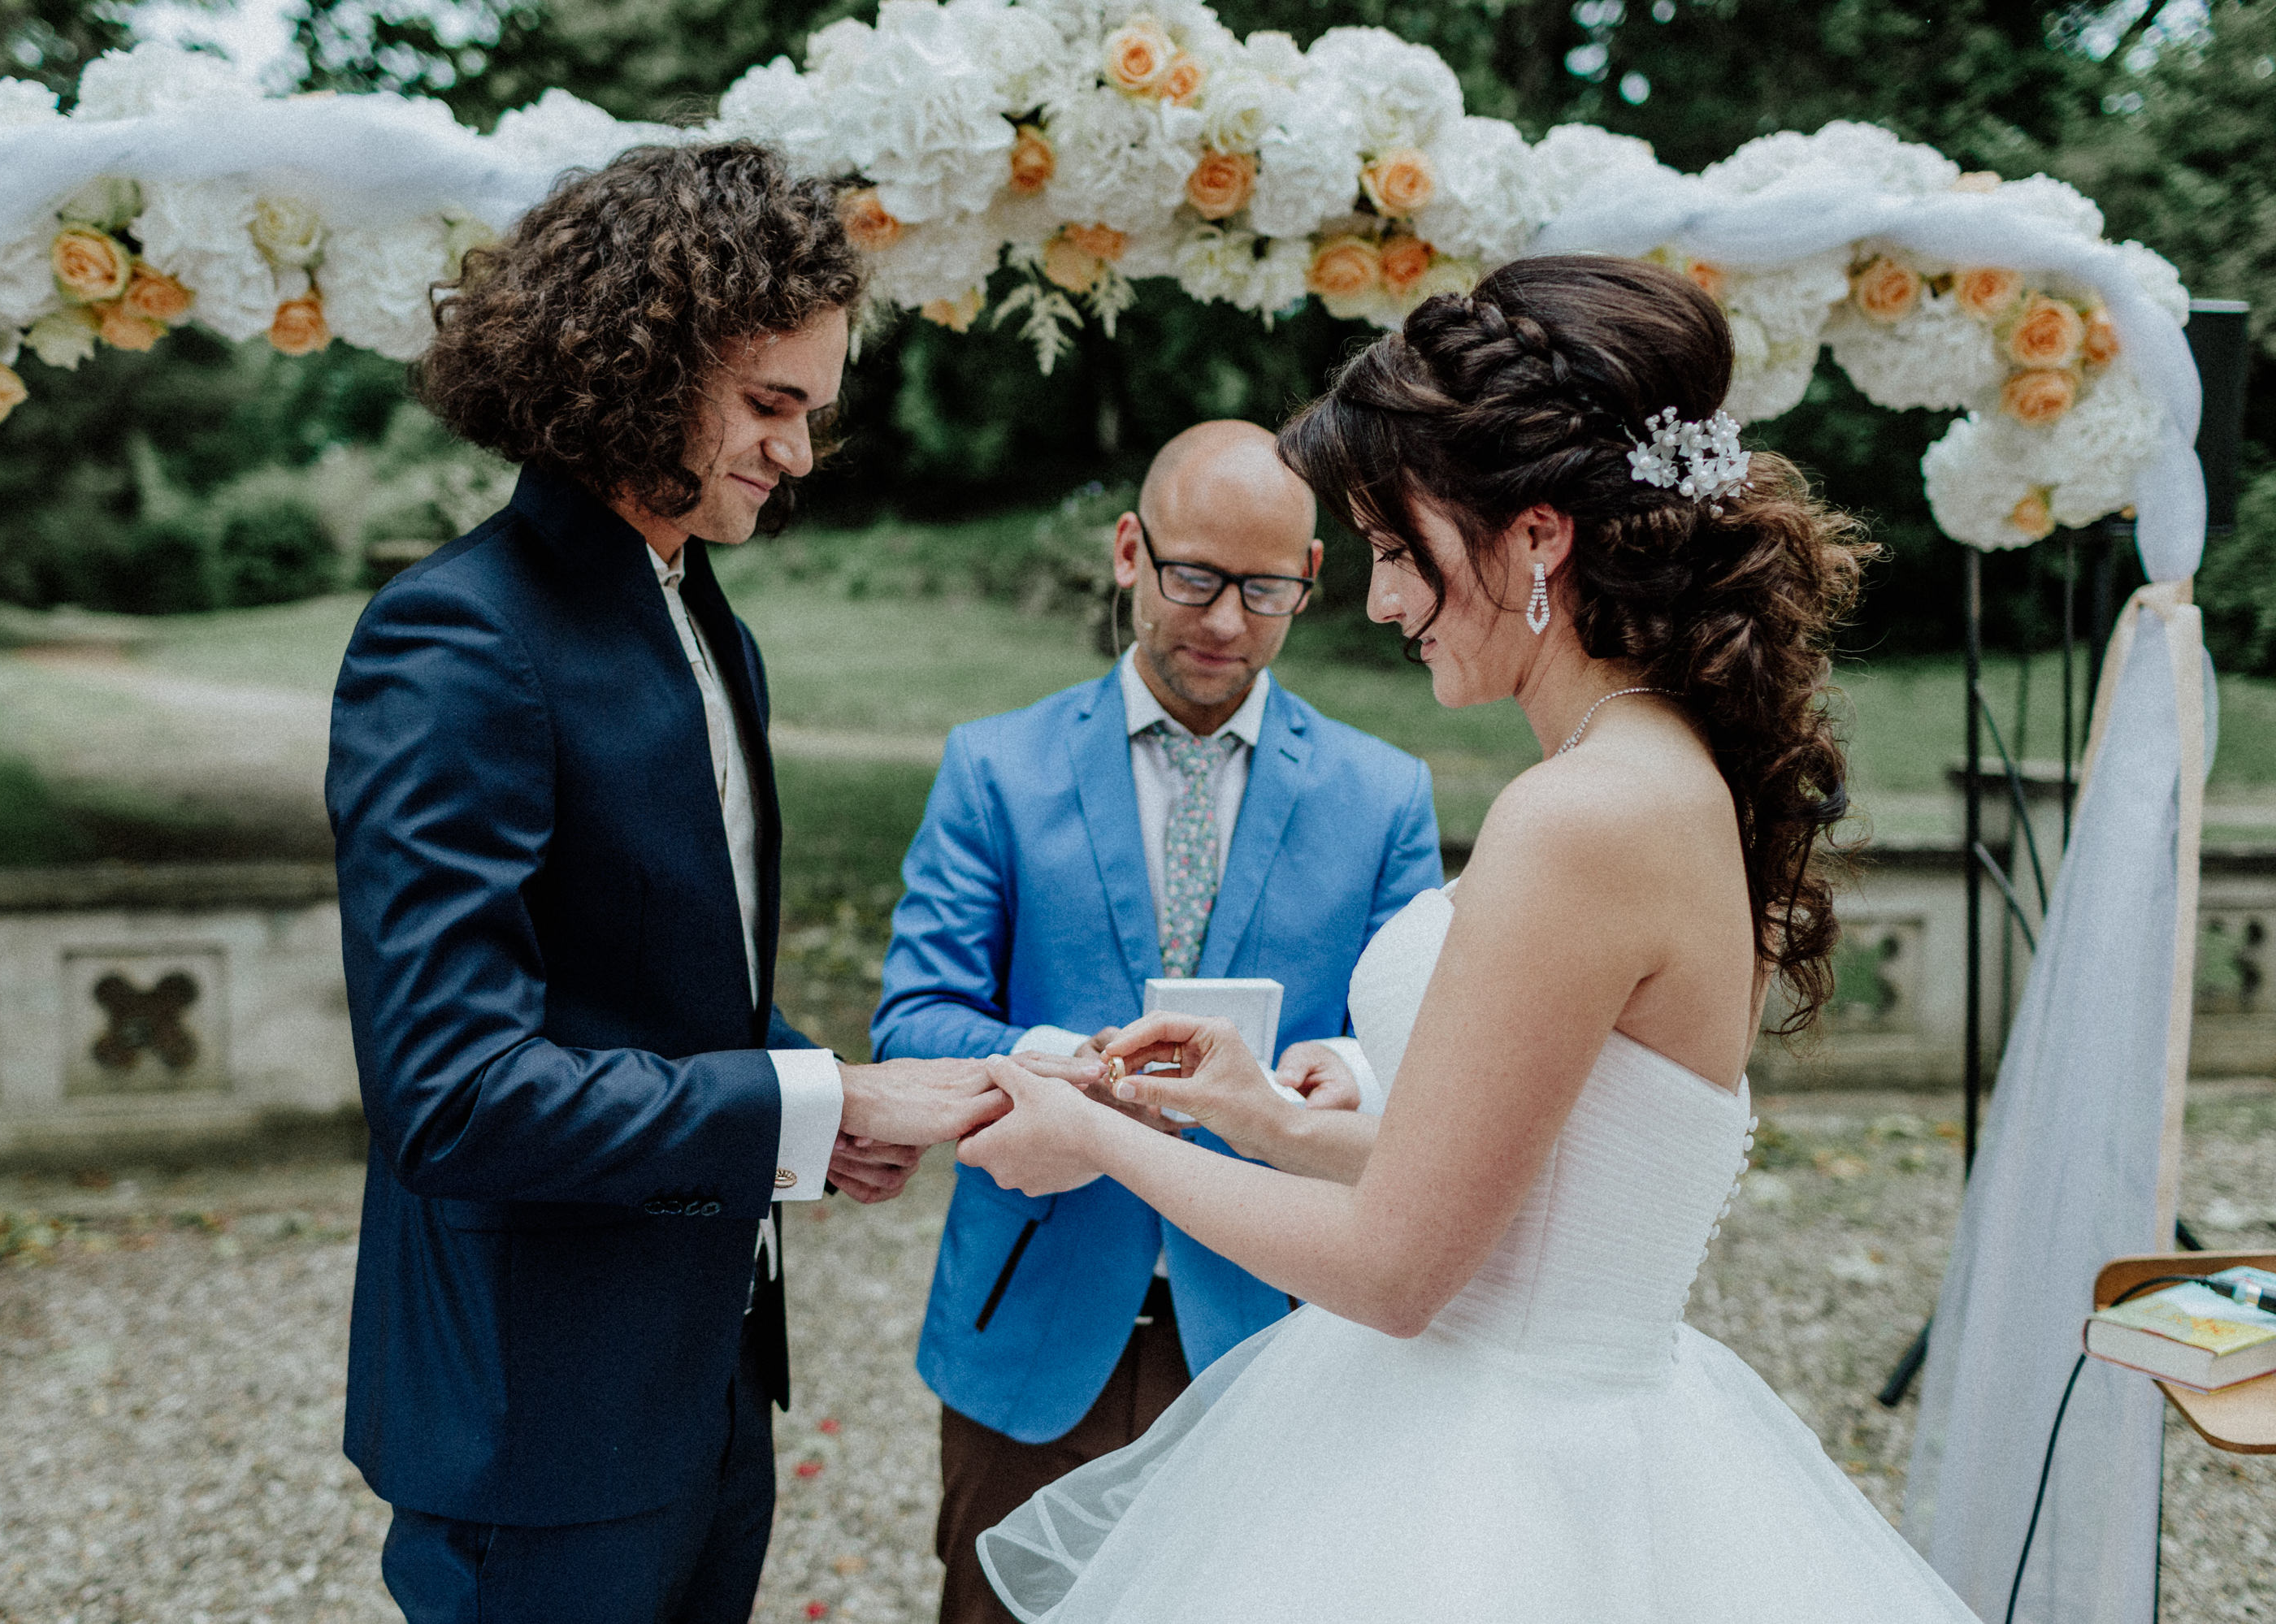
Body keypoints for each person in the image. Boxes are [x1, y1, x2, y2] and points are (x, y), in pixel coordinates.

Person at [955, 258, 1984, 1622]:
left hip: (1494, 1477)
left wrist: (1095, 1135)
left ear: (1537, 535)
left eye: (1397, 549)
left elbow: (1393, 1271)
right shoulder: (1666, 769)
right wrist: (1265, 1118)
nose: (1378, 602)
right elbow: (1521, 1177)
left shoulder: (1582, 817)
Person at [326, 141, 1091, 1624]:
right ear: (633, 366)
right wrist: (813, 1108)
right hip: (536, 1412)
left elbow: (660, 988)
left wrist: (812, 1108)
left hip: (708, 1381)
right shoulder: (459, 641)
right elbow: (454, 1092)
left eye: (814, 410)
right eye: (770, 405)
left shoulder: (702, 615)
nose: (800, 454)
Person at [872, 419, 1444, 1624]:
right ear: (1130, 550)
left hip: (1281, 1332)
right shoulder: (995, 768)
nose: (1225, 621)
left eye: (1265, 587)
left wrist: (1339, 1068)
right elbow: (913, 1022)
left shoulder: (1382, 793)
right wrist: (1060, 1074)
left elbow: (1414, 1042)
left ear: (1313, 580)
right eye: (1193, 576)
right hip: (1030, 1332)